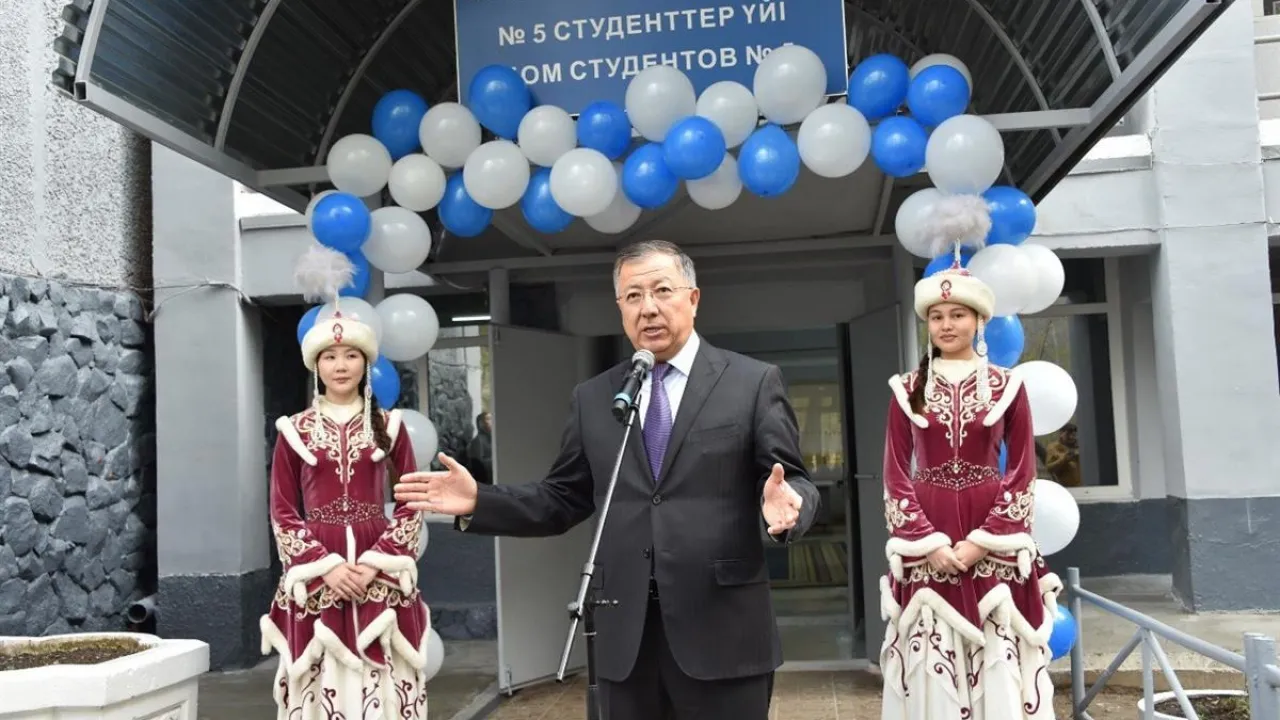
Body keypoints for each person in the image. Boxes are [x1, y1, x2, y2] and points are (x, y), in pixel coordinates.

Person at [394, 239, 820, 720]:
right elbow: (562, 499)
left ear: (693, 299)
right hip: (625, 638)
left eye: (662, 290)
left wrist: (790, 508)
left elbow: (794, 481)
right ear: (620, 308)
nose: (649, 308)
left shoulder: (752, 382)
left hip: (723, 632)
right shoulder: (597, 397)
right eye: (633, 296)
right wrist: (480, 502)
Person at [879, 211, 1062, 720]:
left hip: (992, 533)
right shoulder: (905, 389)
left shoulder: (1009, 386)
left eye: (957, 315)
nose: (946, 325)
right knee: (929, 652)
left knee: (998, 645)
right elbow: (896, 473)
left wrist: (985, 540)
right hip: (927, 534)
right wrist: (930, 544)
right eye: (937, 317)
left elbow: (1022, 469)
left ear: (979, 320)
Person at [261, 246, 431, 720]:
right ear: (316, 365)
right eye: (330, 355)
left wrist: (377, 565)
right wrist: (327, 567)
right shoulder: (293, 431)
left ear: (365, 363)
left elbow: (412, 503)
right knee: (323, 679)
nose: (340, 364)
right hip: (319, 570)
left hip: (380, 566)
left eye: (351, 355)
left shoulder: (391, 427)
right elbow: (283, 511)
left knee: (383, 679)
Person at [1045, 423, 1081, 487]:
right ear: (1061, 433)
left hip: (1082, 486)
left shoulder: (1080, 446)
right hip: (1065, 486)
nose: (1071, 437)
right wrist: (1064, 459)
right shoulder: (1053, 448)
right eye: (1068, 434)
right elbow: (1049, 468)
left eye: (1073, 435)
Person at [467, 411, 493, 484]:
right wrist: (496, 460)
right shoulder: (477, 441)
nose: (491, 422)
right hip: (485, 480)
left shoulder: (493, 439)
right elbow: (479, 463)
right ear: (481, 423)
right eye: (488, 419)